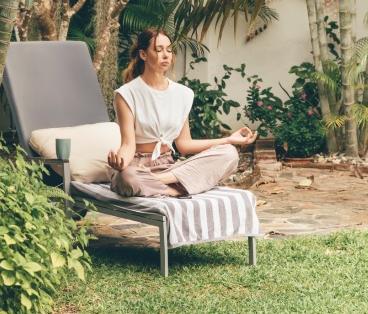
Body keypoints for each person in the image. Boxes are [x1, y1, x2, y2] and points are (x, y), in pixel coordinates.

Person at [108, 29, 258, 197]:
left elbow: (184, 145)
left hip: (169, 168)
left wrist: (228, 140)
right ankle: (176, 189)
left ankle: (160, 181)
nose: (166, 55)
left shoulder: (182, 93)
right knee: (127, 178)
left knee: (229, 153)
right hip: (139, 168)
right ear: (143, 54)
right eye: (158, 50)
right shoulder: (127, 94)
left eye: (169, 50)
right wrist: (120, 163)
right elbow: (128, 145)